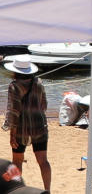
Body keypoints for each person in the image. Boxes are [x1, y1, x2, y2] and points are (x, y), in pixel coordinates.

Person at [4, 60, 49, 191]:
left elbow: (13, 112)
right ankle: (48, 190)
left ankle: (16, 190)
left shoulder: (14, 86)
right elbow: (44, 105)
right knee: (43, 162)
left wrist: (12, 135)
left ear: (15, 71)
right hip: (40, 126)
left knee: (17, 162)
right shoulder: (39, 82)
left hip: (21, 129)